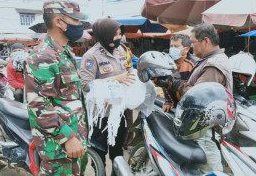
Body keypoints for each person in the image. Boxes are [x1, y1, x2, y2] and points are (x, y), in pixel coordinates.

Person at [154, 23, 233, 173]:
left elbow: (198, 98)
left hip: (205, 128)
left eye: (193, 42)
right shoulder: (209, 60)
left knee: (209, 168)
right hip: (202, 125)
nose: (191, 46)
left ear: (206, 41)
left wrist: (175, 83)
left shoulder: (213, 65)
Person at [24, 0, 88, 175]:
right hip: (59, 148)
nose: (79, 25)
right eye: (75, 20)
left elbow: (68, 96)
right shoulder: (42, 56)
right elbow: (39, 106)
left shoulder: (65, 52)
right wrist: (67, 137)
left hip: (76, 140)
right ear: (59, 22)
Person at [80, 18, 135, 172]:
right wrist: (114, 79)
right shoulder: (91, 56)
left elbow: (129, 71)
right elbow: (85, 85)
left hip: (119, 111)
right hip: (100, 115)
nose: (118, 38)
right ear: (103, 35)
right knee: (99, 152)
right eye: (115, 35)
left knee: (117, 152)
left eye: (120, 34)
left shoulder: (123, 50)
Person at [162, 34, 195, 112]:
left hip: (189, 107)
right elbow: (165, 83)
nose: (173, 49)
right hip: (174, 106)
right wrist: (169, 101)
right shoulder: (167, 62)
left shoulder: (193, 64)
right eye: (171, 46)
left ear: (186, 49)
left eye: (176, 46)